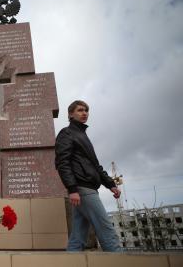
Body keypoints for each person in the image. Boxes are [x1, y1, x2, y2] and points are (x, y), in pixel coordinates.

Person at [55, 100, 121, 252]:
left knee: (77, 239)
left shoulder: (82, 135)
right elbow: (62, 162)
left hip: (87, 188)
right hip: (83, 189)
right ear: (71, 114)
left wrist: (111, 184)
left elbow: (95, 165)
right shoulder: (67, 133)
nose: (84, 113)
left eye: (86, 110)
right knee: (108, 233)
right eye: (80, 110)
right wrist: (72, 189)